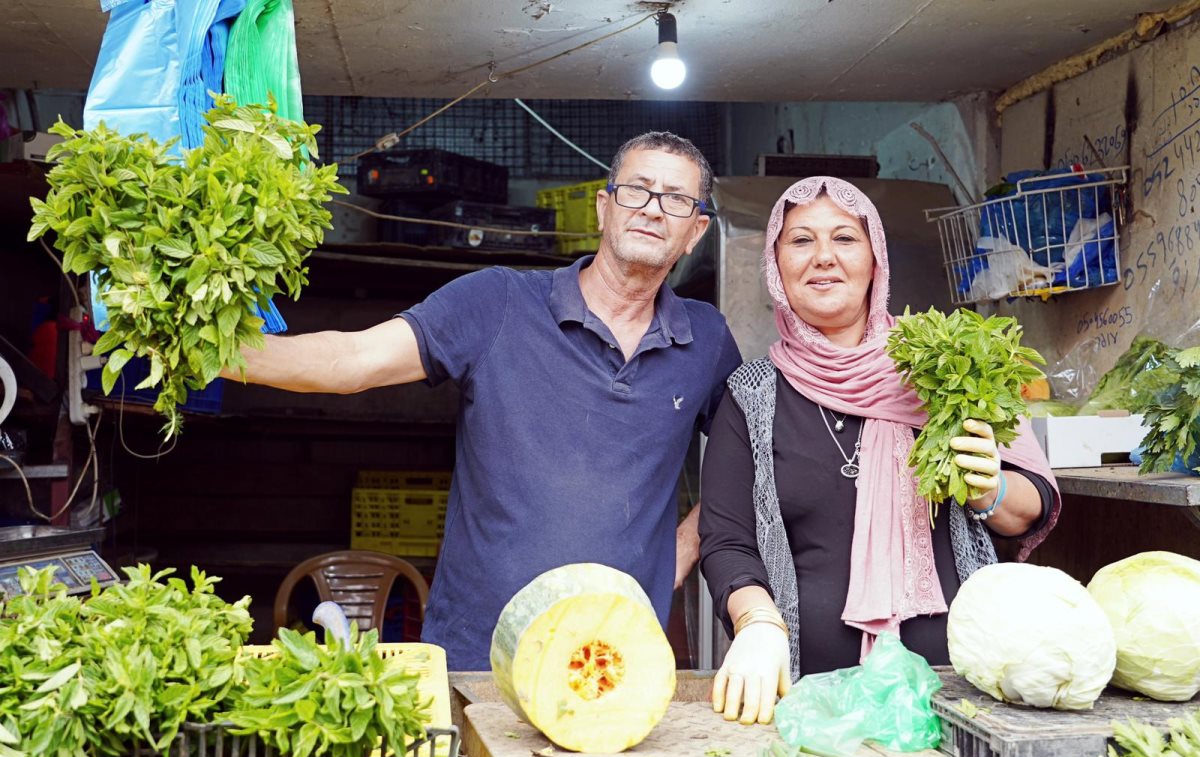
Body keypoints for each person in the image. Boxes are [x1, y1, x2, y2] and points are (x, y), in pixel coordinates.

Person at [226, 132, 743, 670]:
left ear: (695, 231)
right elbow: (351, 362)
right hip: (480, 658)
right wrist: (214, 350)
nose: (653, 209)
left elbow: (756, 459)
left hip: (616, 659)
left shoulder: (704, 341)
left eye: (676, 199)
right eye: (637, 189)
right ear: (603, 207)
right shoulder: (496, 302)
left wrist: (682, 548)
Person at [698, 177, 1060, 725]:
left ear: (875, 259)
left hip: (958, 695)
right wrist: (757, 624)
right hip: (807, 700)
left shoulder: (947, 365)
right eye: (800, 241)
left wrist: (991, 488)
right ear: (776, 264)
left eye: (845, 238)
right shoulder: (750, 395)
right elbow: (727, 541)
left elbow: (1028, 508)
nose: (823, 258)